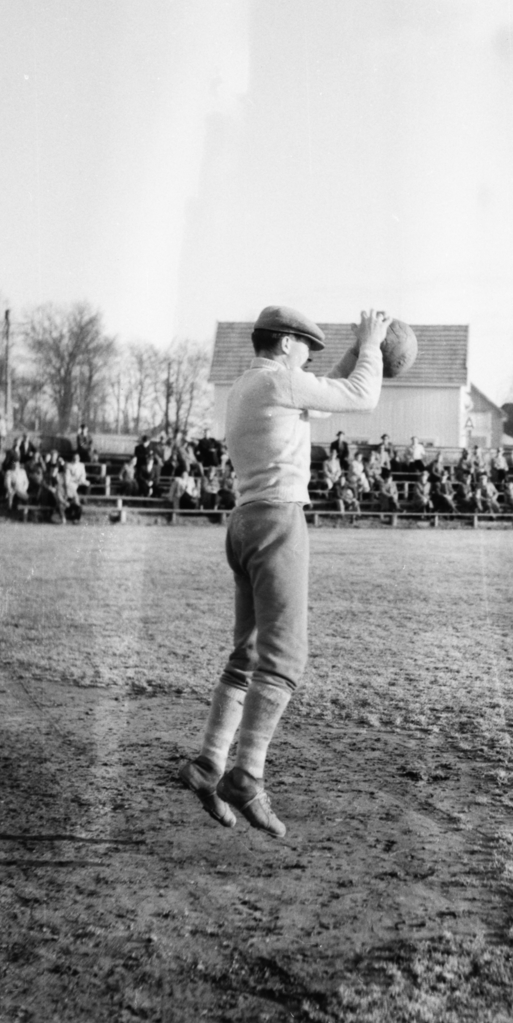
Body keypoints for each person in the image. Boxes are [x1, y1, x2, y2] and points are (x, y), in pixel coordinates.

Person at [178, 305, 388, 839]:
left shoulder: (249, 385)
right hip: (277, 523)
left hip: (243, 522)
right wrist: (371, 345)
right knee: (286, 655)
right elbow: (361, 395)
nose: (310, 359)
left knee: (246, 653)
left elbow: (324, 388)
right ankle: (246, 775)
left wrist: (352, 355)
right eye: (308, 350)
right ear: (290, 344)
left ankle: (208, 762)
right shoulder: (280, 382)